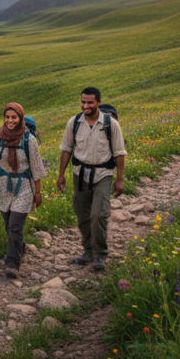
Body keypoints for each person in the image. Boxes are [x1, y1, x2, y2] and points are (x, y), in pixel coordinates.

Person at [56, 87, 127, 271]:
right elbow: (66, 149)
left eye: (89, 102)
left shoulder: (111, 125)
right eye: (83, 102)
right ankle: (88, 250)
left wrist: (120, 179)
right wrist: (61, 174)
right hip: (80, 174)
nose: (85, 106)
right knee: (82, 216)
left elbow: (119, 153)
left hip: (103, 174)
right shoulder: (74, 123)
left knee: (98, 214)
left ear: (98, 103)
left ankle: (100, 254)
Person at [0, 102, 46, 279]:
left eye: (14, 117)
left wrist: (38, 192)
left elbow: (36, 167)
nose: (10, 120)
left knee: (15, 225)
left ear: (20, 118)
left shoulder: (29, 139)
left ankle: (12, 263)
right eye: (7, 117)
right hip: (2, 184)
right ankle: (20, 247)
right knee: (8, 225)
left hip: (24, 185)